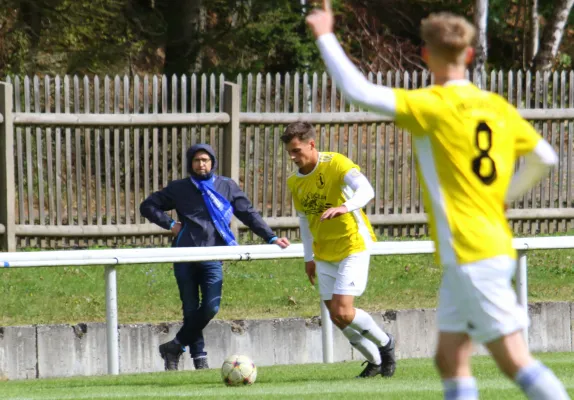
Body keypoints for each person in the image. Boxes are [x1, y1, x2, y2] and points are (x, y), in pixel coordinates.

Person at [306, 7, 570, 400]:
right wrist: (503, 197)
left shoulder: (432, 105)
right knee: (449, 358)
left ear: (426, 56)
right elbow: (545, 157)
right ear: (468, 55)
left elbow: (357, 91)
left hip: (471, 254)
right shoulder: (495, 106)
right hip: (481, 249)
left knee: (515, 359)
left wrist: (325, 34)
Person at [140, 143, 290, 371]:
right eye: (197, 160)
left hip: (214, 254)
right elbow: (148, 206)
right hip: (185, 254)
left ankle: (175, 346)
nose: (202, 164)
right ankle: (200, 360)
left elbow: (248, 214)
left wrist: (270, 237)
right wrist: (170, 224)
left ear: (212, 163)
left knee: (210, 307)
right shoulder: (179, 188)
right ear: (191, 164)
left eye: (206, 160)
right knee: (190, 308)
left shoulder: (226, 186)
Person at [281, 121, 396, 378]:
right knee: (336, 317)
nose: (292, 157)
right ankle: (375, 361)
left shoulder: (336, 163)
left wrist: (346, 207)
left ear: (311, 144)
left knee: (343, 310)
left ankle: (386, 344)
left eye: (296, 150)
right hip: (323, 253)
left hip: (352, 244)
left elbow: (366, 190)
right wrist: (308, 257)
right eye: (289, 151)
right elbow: (304, 219)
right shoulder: (294, 182)